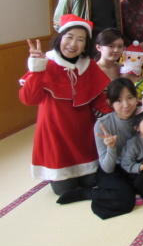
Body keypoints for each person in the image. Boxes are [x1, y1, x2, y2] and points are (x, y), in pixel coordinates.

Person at [20, 15, 111, 195]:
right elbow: (29, 99)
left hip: (84, 134)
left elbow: (99, 101)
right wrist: (36, 70)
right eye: (69, 37)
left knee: (90, 182)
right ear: (59, 38)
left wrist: (122, 115)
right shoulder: (45, 63)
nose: (73, 44)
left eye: (80, 39)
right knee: (65, 190)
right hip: (55, 133)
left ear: (86, 45)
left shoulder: (89, 66)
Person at [55, 78, 138, 217]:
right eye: (118, 100)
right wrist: (111, 147)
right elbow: (107, 167)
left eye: (130, 98)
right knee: (126, 200)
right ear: (109, 103)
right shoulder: (103, 124)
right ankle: (90, 192)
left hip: (136, 164)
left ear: (136, 98)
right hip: (114, 168)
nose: (126, 105)